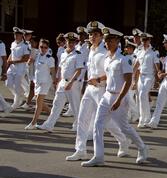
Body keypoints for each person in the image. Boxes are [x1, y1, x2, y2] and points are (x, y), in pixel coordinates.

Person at [81, 27, 149, 167]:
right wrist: (98, 79)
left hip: (119, 97)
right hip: (106, 95)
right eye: (106, 41)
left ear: (117, 41)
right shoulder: (107, 57)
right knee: (98, 125)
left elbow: (128, 80)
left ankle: (142, 147)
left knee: (124, 127)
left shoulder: (124, 59)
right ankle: (98, 156)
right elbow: (109, 75)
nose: (107, 44)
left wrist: (119, 100)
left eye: (110, 41)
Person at [66, 21, 131, 161]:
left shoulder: (106, 50)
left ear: (101, 36)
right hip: (90, 89)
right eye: (90, 35)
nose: (92, 37)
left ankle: (124, 140)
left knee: (107, 122)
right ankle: (80, 149)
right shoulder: (91, 50)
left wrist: (98, 80)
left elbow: (112, 73)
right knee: (82, 118)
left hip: (102, 89)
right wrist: (88, 85)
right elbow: (89, 71)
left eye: (95, 34)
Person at [37, 32, 83, 132]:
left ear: (75, 43)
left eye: (72, 42)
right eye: (68, 41)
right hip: (62, 82)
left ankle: (80, 126)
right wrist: (57, 79)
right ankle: (49, 125)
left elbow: (78, 70)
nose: (70, 43)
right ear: (65, 41)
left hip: (73, 83)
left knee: (75, 106)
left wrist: (70, 83)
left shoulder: (78, 54)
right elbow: (60, 67)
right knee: (57, 104)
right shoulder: (63, 54)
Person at [24, 39, 55, 129]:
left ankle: (33, 123)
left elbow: (53, 71)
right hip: (37, 82)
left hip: (45, 82)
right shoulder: (37, 56)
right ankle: (53, 115)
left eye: (45, 47)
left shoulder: (49, 58)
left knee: (38, 103)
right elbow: (33, 64)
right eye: (41, 47)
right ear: (39, 47)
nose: (43, 49)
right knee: (39, 101)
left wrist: (55, 82)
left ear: (48, 48)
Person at [134, 32, 160, 128]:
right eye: (142, 40)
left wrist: (157, 80)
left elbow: (157, 66)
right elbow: (136, 65)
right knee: (141, 97)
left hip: (150, 76)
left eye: (145, 40)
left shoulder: (154, 52)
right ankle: (144, 118)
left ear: (149, 40)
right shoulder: (140, 51)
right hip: (141, 76)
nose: (144, 42)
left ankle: (145, 118)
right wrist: (132, 76)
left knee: (142, 94)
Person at [6, 27, 30, 109]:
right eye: (15, 34)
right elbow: (11, 54)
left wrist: (15, 62)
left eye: (18, 34)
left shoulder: (25, 45)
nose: (16, 36)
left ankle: (16, 102)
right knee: (8, 84)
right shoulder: (13, 43)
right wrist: (8, 61)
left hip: (20, 68)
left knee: (17, 86)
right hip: (12, 67)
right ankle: (19, 95)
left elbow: (26, 58)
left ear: (22, 35)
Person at [0, 39, 12, 116]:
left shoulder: (1, 44)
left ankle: (5, 106)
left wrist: (4, 73)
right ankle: (5, 106)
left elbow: (4, 59)